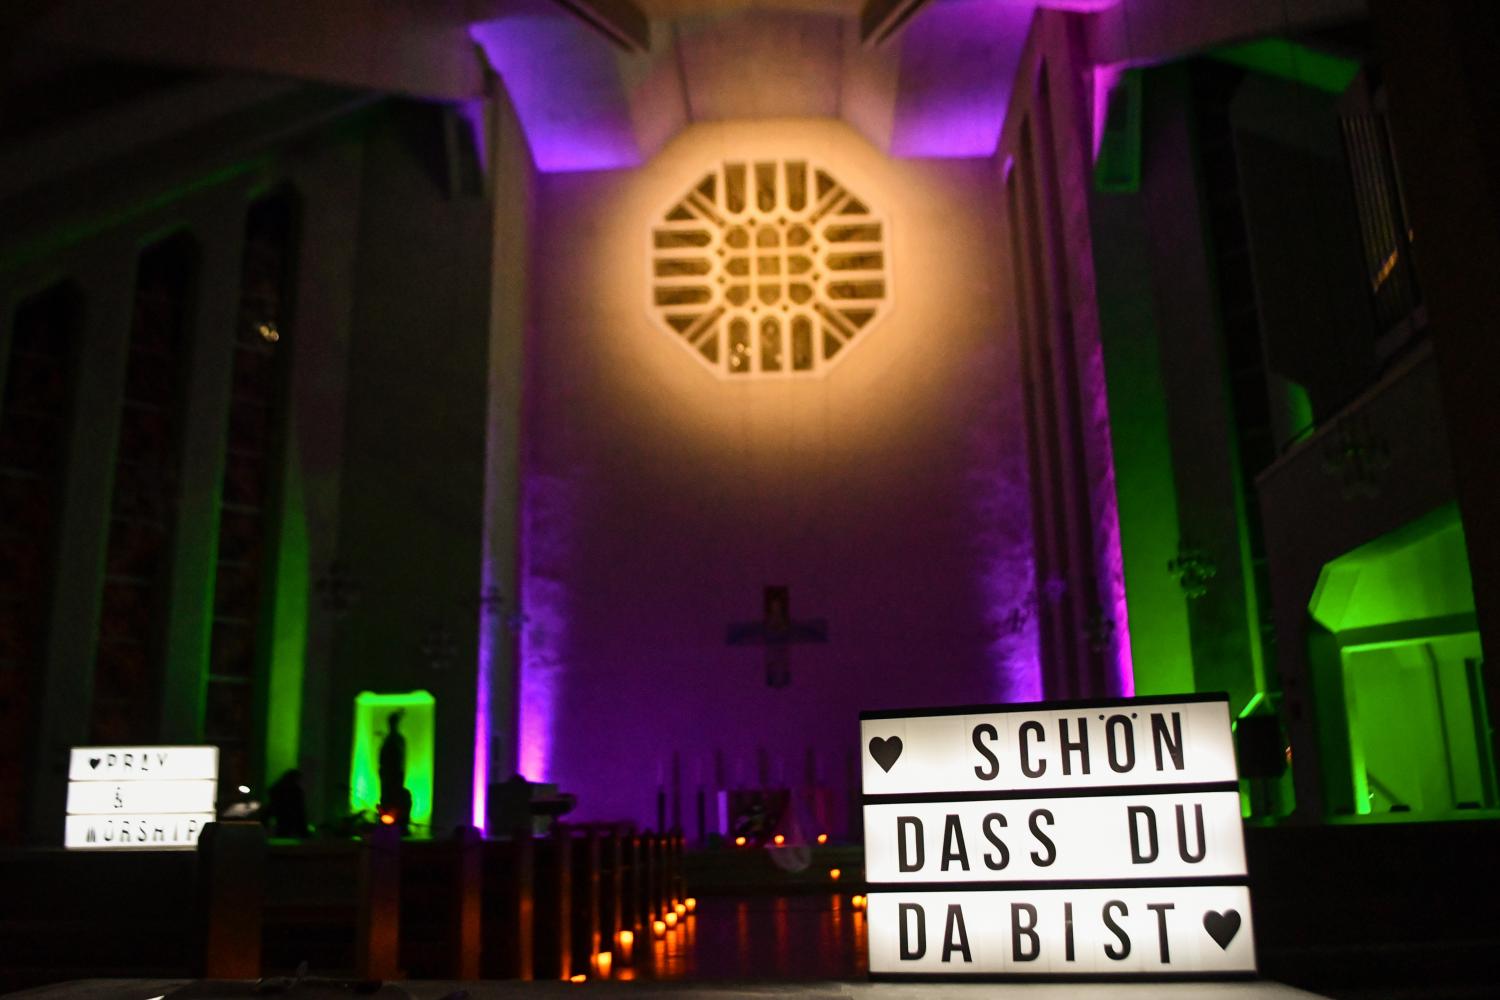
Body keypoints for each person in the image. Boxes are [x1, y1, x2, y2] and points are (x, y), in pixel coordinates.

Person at [377, 710, 412, 833]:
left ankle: (398, 823)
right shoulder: (388, 739)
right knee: (386, 798)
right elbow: (382, 757)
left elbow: (401, 757)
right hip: (387, 774)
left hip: (395, 773)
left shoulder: (398, 739)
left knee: (397, 798)